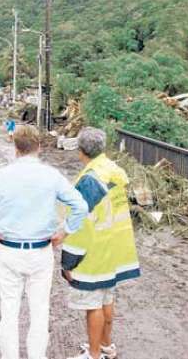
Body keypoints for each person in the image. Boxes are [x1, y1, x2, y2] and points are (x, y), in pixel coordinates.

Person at [0, 125, 88, 359]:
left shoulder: (0, 176)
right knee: (39, 312)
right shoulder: (52, 175)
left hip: (8, 252)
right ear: (38, 147)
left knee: (9, 312)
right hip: (41, 251)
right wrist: (64, 231)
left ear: (15, 147)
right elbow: (80, 206)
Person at [62, 127, 140, 359]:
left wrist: (69, 260)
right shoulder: (112, 169)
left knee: (93, 304)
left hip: (94, 253)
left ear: (80, 150)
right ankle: (106, 345)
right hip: (113, 249)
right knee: (107, 298)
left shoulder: (90, 179)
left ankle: (94, 355)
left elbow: (80, 224)